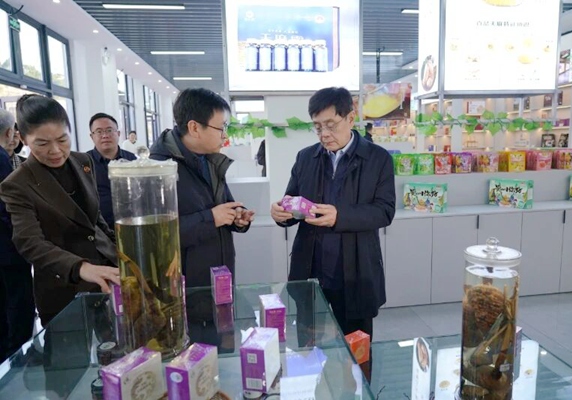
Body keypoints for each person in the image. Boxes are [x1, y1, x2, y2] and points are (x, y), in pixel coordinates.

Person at [270, 87, 395, 338]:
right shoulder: (306, 158)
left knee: (356, 347)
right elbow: (292, 200)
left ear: (350, 118)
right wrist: (281, 213)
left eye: (331, 125)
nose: (324, 134)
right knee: (310, 344)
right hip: (310, 268)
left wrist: (340, 216)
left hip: (355, 271)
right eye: (317, 127)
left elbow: (384, 211)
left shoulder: (377, 159)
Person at [0, 95, 120, 327]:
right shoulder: (17, 184)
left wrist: (122, 254)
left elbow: (95, 220)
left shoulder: (83, 161)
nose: (55, 150)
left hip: (108, 277)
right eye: (42, 143)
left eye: (62, 139)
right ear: (22, 138)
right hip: (64, 290)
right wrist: (80, 267)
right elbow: (29, 242)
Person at [150, 88, 255, 287]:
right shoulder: (158, 169)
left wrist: (237, 216)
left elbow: (223, 205)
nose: (225, 135)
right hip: (186, 286)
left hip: (219, 275)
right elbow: (157, 236)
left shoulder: (209, 160)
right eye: (221, 128)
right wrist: (211, 218)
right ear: (194, 128)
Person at [0, 110, 35, 362]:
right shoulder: (2, 160)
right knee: (17, 304)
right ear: (9, 132)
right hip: (8, 251)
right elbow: (7, 209)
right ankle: (17, 359)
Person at [87, 113, 136, 228]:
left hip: (131, 225)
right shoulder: (84, 163)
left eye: (109, 130)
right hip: (99, 230)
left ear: (118, 134)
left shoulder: (132, 160)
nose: (105, 135)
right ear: (92, 136)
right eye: (99, 131)